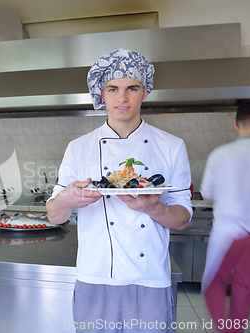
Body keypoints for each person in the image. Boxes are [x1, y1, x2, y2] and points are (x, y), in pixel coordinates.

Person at [46, 49, 192, 332]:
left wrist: (152, 207)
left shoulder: (172, 146)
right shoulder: (79, 148)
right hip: (95, 277)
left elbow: (183, 218)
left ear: (145, 92)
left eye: (132, 88)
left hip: (150, 278)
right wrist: (67, 198)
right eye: (113, 89)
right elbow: (55, 216)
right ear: (102, 94)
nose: (122, 98)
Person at [200, 101, 250, 333]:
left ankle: (223, 329)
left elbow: (208, 196)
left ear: (236, 125)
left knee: (213, 285)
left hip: (227, 234)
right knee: (245, 291)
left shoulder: (220, 154)